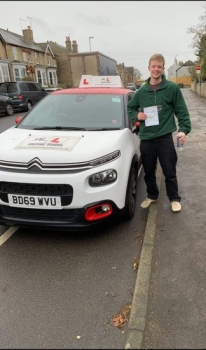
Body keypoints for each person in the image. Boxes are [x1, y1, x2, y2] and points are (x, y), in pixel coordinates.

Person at [127, 53, 191, 212]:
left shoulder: (172, 88)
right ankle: (152, 196)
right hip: (147, 138)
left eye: (159, 67)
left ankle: (174, 199)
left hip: (164, 138)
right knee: (148, 171)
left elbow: (182, 112)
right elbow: (130, 108)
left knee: (169, 170)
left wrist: (183, 130)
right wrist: (137, 115)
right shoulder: (141, 91)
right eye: (153, 66)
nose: (156, 69)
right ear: (149, 68)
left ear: (163, 69)